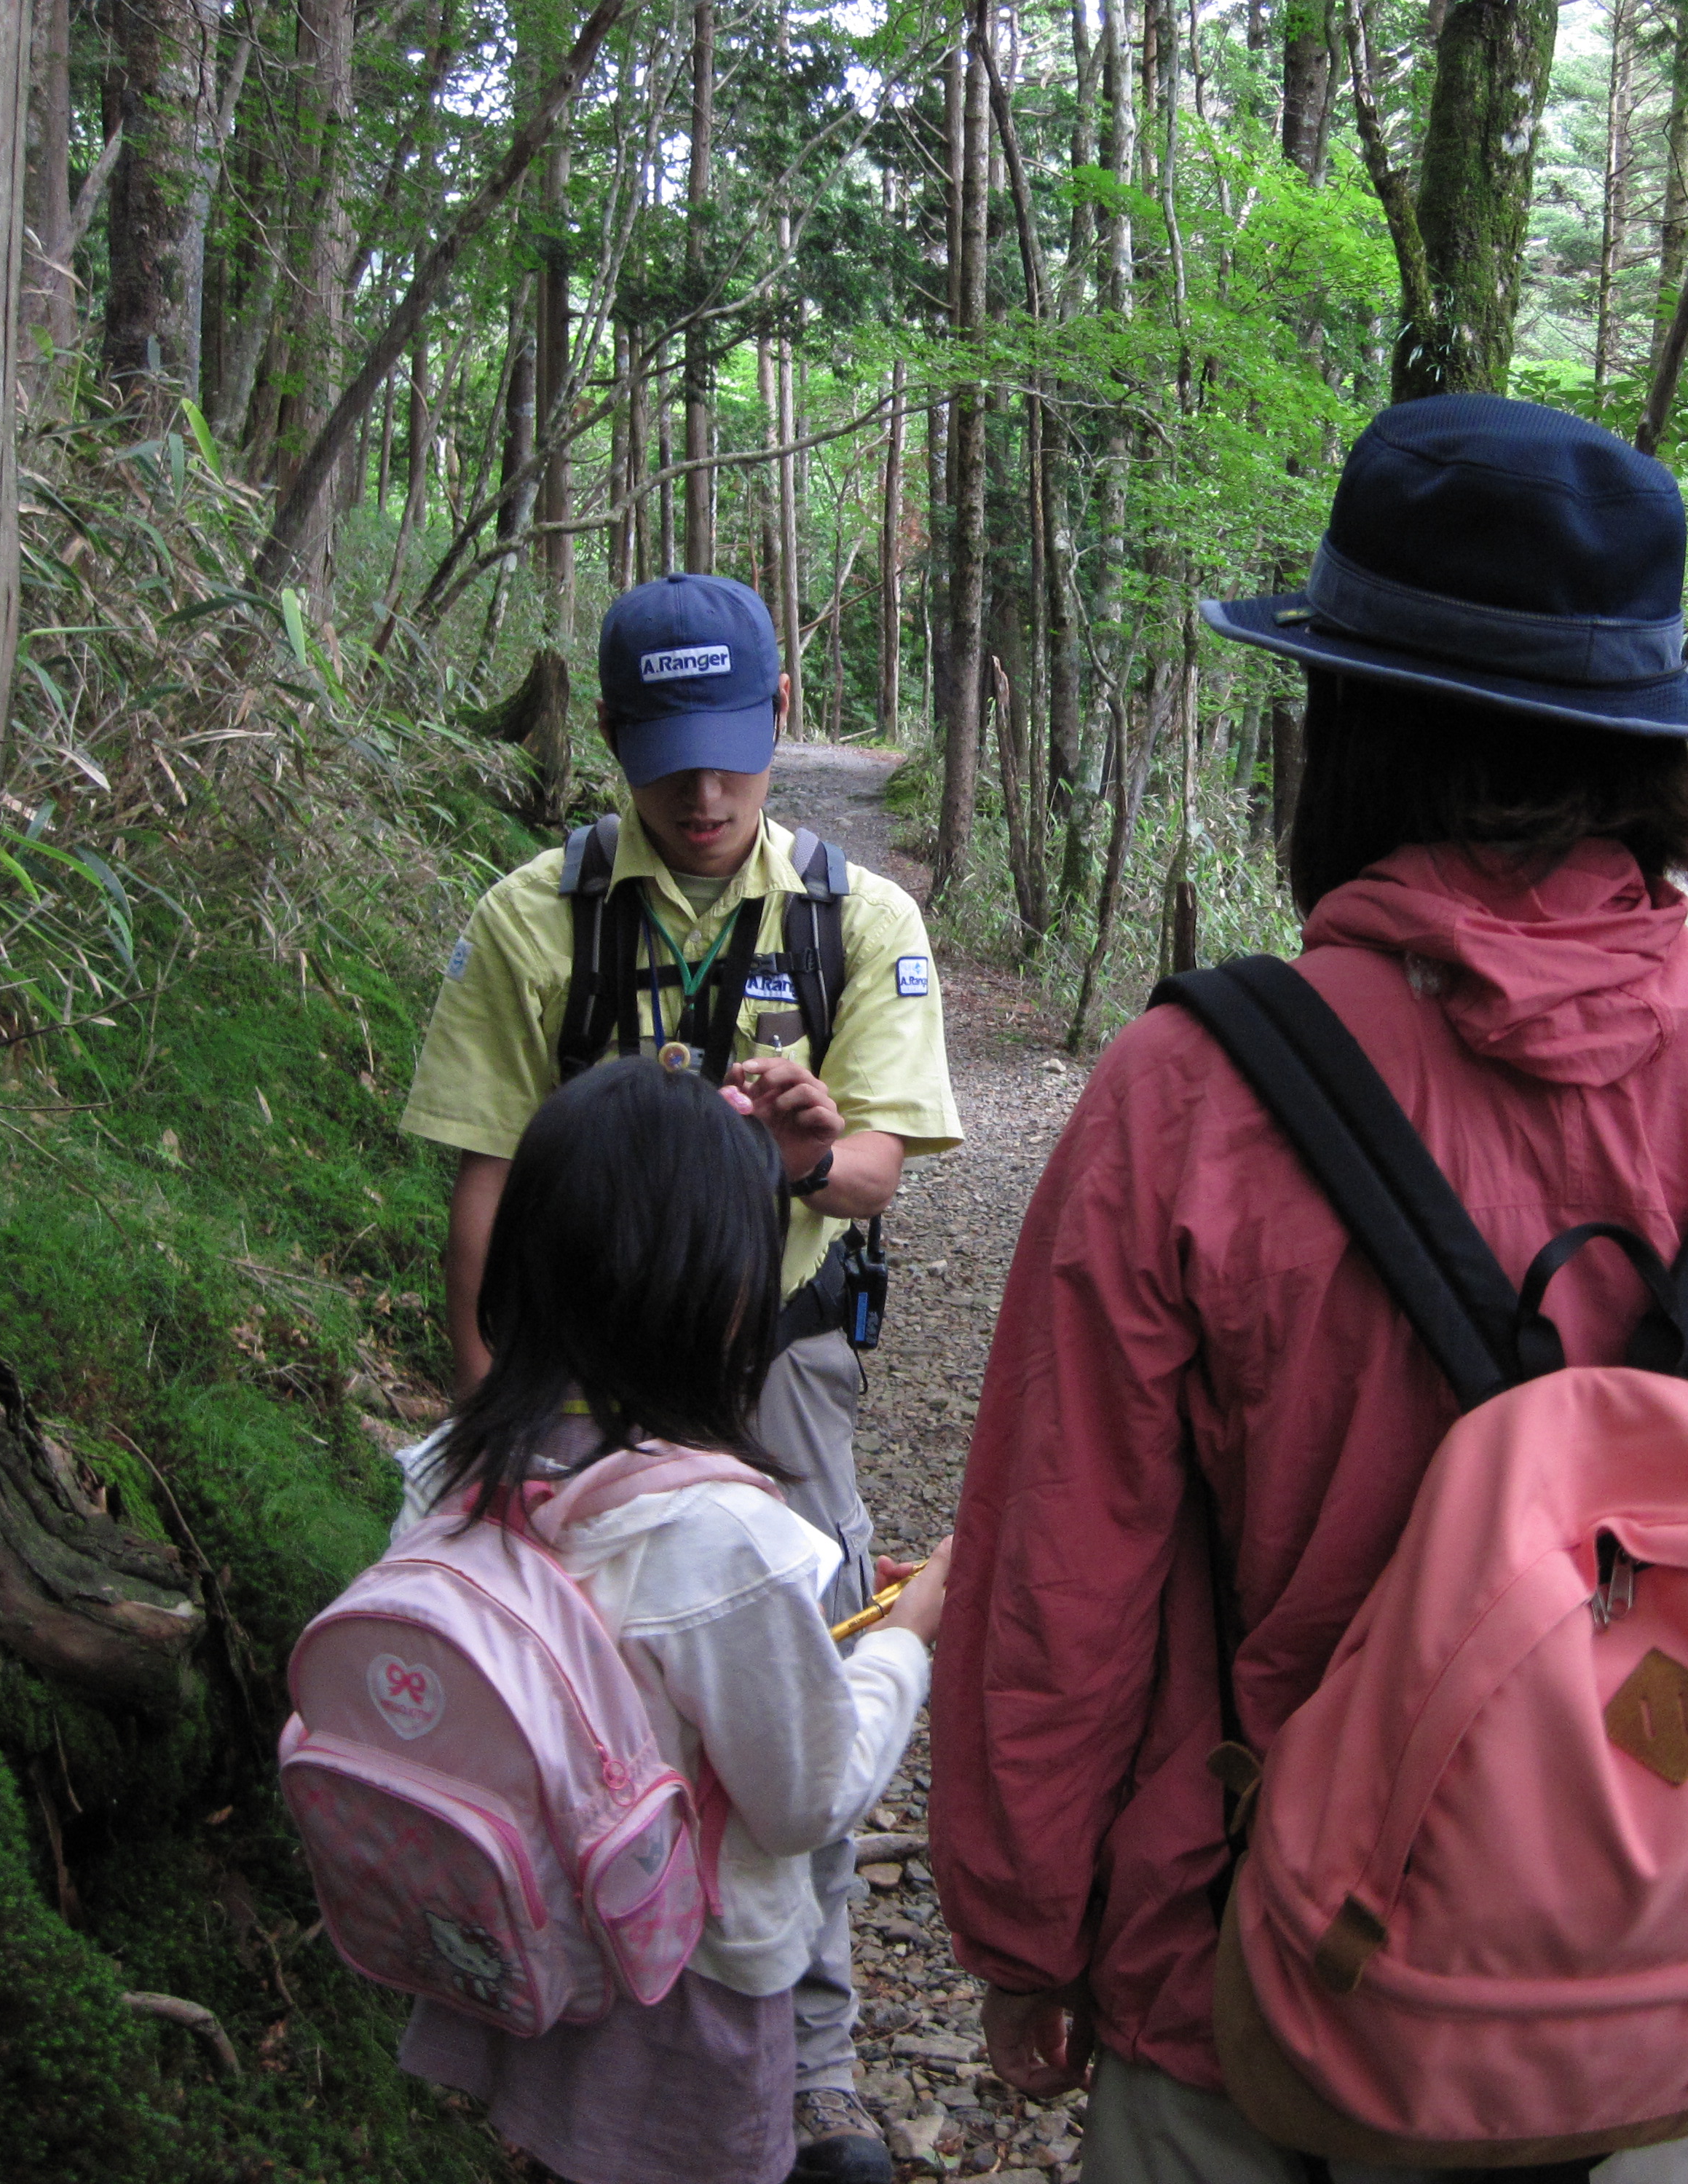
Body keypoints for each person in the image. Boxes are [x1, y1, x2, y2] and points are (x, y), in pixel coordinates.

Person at [928, 394, 1688, 2184]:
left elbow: (1061, 1579)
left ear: (1344, 729)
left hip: (1267, 1991)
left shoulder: (1200, 1092)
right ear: (1646, 754)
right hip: (1649, 1995)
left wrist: (1023, 1928)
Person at [401, 572, 963, 2182]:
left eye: (730, 754)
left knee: (797, 1675)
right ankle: (558, 2013)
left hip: (772, 1367)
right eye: (667, 762)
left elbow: (878, 1172)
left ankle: (816, 2062)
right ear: (611, 741)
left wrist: (805, 1159)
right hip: (570, 1374)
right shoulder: (536, 918)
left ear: (780, 721)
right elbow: (486, 1190)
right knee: (571, 1697)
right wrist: (487, 1419)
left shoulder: (860, 920)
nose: (704, 798)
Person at [390, 1059, 950, 2184]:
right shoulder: (720, 1537)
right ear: (727, 1290)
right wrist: (911, 1630)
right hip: (680, 1983)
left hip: (518, 1940)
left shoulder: (452, 1471)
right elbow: (805, 1797)